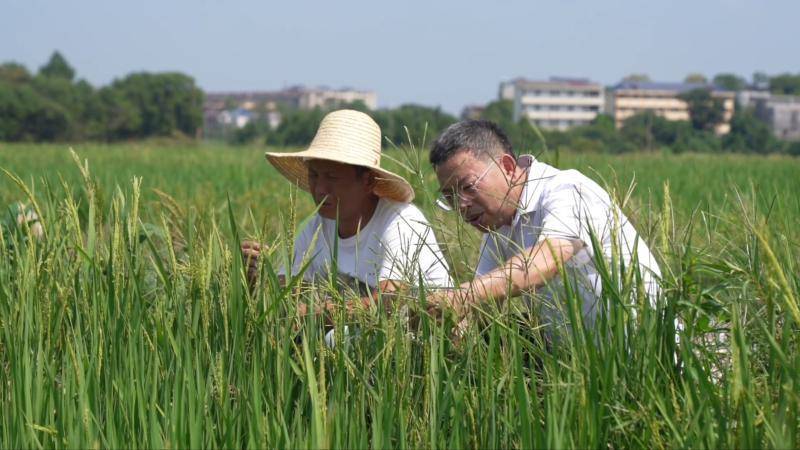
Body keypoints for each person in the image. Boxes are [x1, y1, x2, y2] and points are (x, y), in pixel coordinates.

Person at [426, 119, 661, 338]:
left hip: (644, 356)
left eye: (468, 186)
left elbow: (548, 258)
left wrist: (464, 296)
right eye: (449, 197)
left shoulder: (566, 189)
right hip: (575, 365)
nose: (461, 205)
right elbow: (481, 309)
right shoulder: (497, 228)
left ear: (507, 166)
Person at [241, 109, 452, 318]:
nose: (320, 189)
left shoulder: (400, 221)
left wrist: (317, 315)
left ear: (367, 181)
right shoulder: (316, 227)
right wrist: (256, 275)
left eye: (332, 177)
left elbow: (390, 302)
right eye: (314, 175)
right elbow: (286, 296)